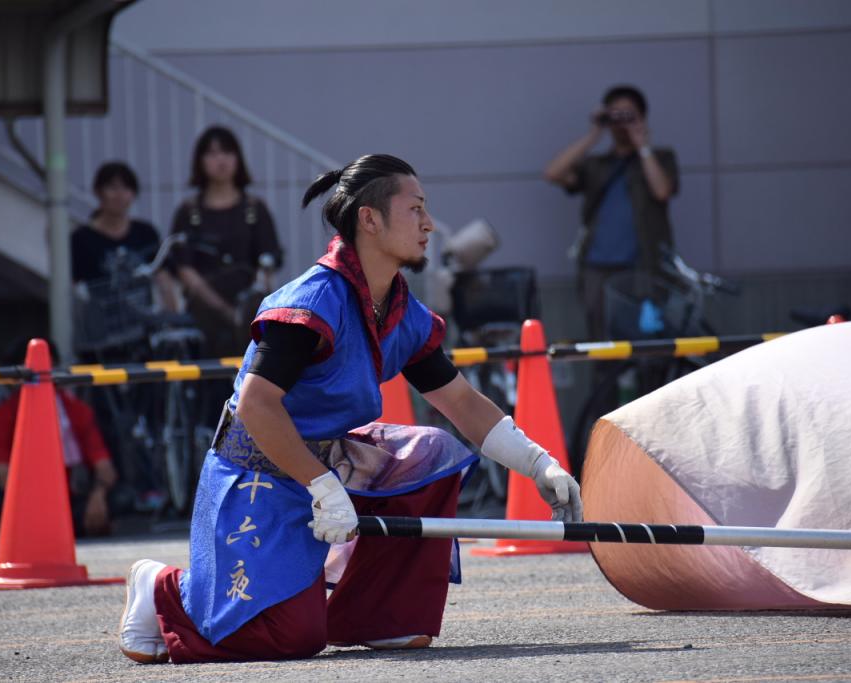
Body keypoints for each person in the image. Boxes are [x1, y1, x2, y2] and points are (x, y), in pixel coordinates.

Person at [118, 154, 583, 664]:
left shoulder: (401, 309)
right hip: (256, 473)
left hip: (330, 469)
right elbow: (256, 405)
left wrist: (538, 464)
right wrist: (321, 486)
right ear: (370, 219)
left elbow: (460, 401)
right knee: (288, 637)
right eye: (416, 209)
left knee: (433, 453)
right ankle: (163, 588)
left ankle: (375, 616)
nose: (429, 223)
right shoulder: (310, 303)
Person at [544, 85, 679, 341]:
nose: (622, 123)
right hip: (597, 269)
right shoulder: (597, 164)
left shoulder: (660, 157)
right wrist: (594, 133)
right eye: (615, 115)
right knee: (602, 342)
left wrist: (643, 146)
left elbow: (662, 191)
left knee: (646, 341)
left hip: (644, 266)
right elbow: (553, 173)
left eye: (629, 115)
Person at [0, 342, 120, 538]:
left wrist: (98, 494)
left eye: (48, 371)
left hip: (67, 499)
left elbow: (105, 467)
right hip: (24, 500)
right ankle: (20, 535)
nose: (43, 380)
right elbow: (1, 474)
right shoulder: (2, 416)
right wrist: (38, 504)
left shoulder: (76, 411)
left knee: (120, 498)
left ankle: (76, 528)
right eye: (34, 375)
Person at [168, 125, 284, 358]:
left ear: (238, 158)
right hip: (203, 311)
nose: (220, 159)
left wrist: (251, 305)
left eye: (227, 152)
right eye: (211, 153)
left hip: (249, 309)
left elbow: (269, 261)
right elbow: (184, 269)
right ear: (199, 161)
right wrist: (223, 310)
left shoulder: (254, 209)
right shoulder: (188, 211)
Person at [71, 160, 179, 340]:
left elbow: (163, 277)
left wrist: (172, 318)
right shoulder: (81, 239)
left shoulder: (145, 233)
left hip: (142, 327)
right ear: (99, 192)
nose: (119, 195)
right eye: (112, 187)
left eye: (126, 188)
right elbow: (75, 289)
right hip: (100, 331)